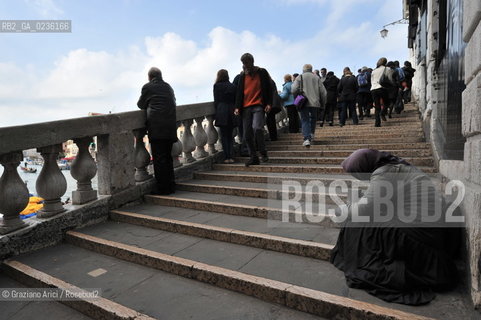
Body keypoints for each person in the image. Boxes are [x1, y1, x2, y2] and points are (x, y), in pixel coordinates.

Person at [331, 148, 460, 305]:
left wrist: (340, 210)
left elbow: (365, 208)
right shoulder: (395, 167)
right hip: (428, 233)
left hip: (418, 238)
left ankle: (358, 258)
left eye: (356, 173)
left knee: (355, 222)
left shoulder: (385, 173)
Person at [137, 67, 177, 195]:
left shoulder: (147, 87)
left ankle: (162, 188)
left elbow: (140, 104)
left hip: (157, 127)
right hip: (170, 127)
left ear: (149, 77)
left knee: (159, 159)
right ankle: (171, 185)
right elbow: (174, 102)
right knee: (168, 157)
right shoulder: (168, 87)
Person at [234, 53, 272, 167]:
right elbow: (239, 93)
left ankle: (263, 152)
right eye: (243, 63)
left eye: (247, 62)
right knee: (247, 134)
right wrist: (237, 107)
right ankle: (253, 157)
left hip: (258, 106)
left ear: (252, 61)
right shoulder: (242, 76)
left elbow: (269, 88)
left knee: (257, 128)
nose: (245, 65)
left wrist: (269, 103)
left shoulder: (262, 72)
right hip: (245, 108)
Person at [292, 64, 327, 147]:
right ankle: (311, 134)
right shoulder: (316, 77)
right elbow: (324, 92)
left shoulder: (299, 77)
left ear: (303, 69)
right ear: (311, 69)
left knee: (305, 119)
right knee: (313, 118)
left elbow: (293, 90)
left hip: (303, 101)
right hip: (315, 102)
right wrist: (323, 103)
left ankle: (306, 139)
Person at [213, 69, 237, 163]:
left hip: (222, 110)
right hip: (231, 110)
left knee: (224, 135)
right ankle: (231, 156)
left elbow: (216, 101)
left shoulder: (217, 86)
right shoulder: (232, 86)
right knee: (230, 135)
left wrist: (216, 114)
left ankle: (227, 157)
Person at [370, 57, 390, 127]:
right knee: (387, 102)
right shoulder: (387, 69)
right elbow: (389, 78)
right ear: (385, 62)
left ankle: (377, 123)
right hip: (382, 88)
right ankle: (383, 112)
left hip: (373, 89)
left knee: (377, 106)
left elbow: (371, 81)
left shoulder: (374, 70)